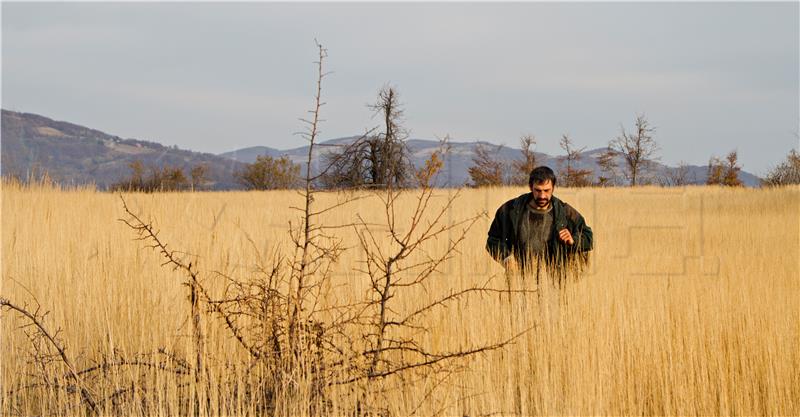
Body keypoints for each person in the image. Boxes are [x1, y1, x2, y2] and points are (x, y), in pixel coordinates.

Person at [486, 166, 593, 283]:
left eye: (546, 190)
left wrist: (574, 240)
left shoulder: (565, 212)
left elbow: (588, 237)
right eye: (538, 190)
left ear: (553, 188)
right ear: (530, 187)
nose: (542, 196)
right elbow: (492, 240)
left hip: (555, 280)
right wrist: (506, 257)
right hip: (519, 281)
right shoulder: (510, 210)